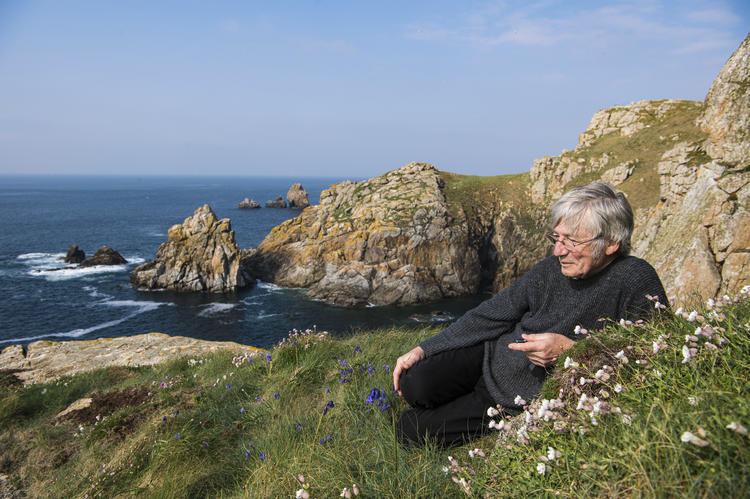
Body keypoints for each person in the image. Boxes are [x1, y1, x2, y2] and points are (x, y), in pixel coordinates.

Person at [392, 182, 668, 446]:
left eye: (571, 241)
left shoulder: (636, 279)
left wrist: (571, 352)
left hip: (513, 400)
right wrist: (424, 349)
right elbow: (492, 313)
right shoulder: (550, 269)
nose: (559, 250)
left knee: (409, 430)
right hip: (488, 357)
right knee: (413, 381)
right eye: (557, 238)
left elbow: (652, 357)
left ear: (611, 243)